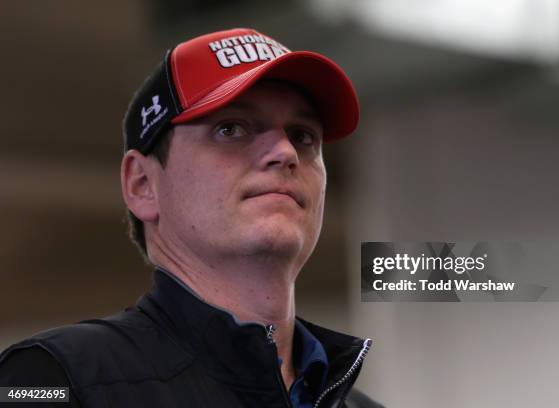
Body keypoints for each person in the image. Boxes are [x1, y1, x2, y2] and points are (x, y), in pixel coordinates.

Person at [0, 28, 382, 408]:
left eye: (302, 136)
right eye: (230, 129)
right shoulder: (52, 378)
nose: (285, 152)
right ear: (142, 184)